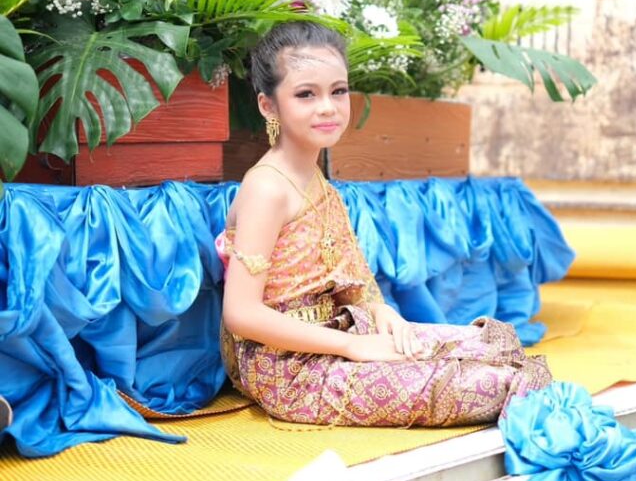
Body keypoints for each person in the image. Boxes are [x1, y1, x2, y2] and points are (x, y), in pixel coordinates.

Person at [217, 21, 551, 427]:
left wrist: (381, 312)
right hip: (290, 368)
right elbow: (241, 313)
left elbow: (353, 279)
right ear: (268, 106)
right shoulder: (266, 189)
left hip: (342, 332)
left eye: (338, 91)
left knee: (492, 344)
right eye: (306, 94)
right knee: (491, 384)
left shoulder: (317, 181)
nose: (328, 107)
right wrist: (351, 347)